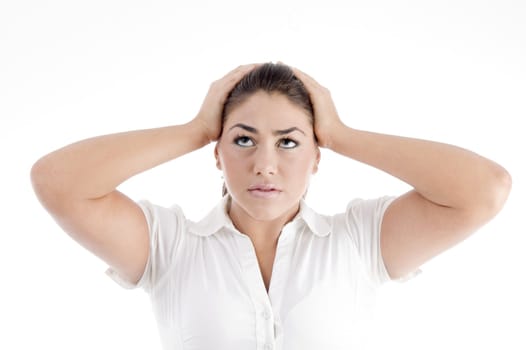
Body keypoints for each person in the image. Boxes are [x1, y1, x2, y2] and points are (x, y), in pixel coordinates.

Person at [31, 62, 511, 349]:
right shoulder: (169, 245)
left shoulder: (360, 241)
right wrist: (196, 128)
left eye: (288, 142)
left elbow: (485, 190)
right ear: (217, 155)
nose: (264, 164)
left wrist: (343, 134)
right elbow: (57, 181)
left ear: (316, 156)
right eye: (243, 139)